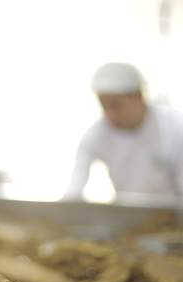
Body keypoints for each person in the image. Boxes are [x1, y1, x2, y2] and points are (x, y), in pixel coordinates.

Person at [65, 62, 183, 201]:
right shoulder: (96, 134)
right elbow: (74, 189)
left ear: (139, 97)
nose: (110, 114)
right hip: (127, 217)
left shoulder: (175, 128)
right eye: (104, 106)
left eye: (116, 105)